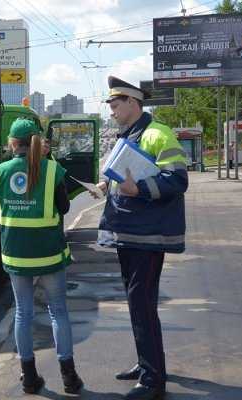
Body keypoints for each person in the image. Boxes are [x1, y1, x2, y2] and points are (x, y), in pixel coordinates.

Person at [95, 76, 189, 400]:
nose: (111, 111)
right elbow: (124, 175)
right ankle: (146, 363)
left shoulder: (157, 134)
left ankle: (152, 381)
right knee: (138, 305)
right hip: (130, 233)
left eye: (115, 104)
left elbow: (177, 180)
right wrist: (106, 185)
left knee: (143, 305)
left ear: (132, 103)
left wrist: (139, 189)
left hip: (147, 235)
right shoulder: (129, 135)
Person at [0, 119, 84, 395]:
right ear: (38, 142)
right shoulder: (52, 169)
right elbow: (64, 207)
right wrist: (47, 158)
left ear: (12, 143)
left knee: (23, 313)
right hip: (49, 253)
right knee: (58, 312)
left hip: (16, 255)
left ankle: (29, 377)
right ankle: (69, 377)